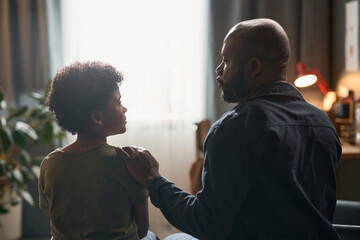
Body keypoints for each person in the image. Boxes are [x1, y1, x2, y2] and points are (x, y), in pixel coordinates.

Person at [117, 18, 342, 239]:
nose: (219, 69)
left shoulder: (233, 128)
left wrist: (153, 179)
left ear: (254, 66)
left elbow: (206, 224)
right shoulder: (323, 123)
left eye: (226, 60)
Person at [38, 61, 158, 240]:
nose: (125, 108)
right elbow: (141, 229)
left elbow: (53, 212)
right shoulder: (126, 162)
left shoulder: (49, 163)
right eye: (118, 101)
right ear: (97, 117)